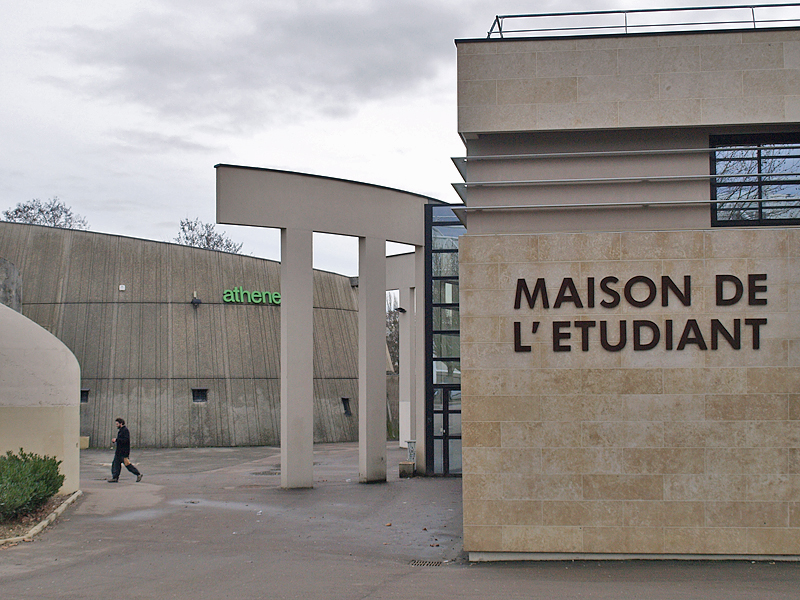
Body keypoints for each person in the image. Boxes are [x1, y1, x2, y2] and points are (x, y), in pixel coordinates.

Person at [108, 417, 143, 483]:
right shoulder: (121, 430)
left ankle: (138, 474)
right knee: (115, 464)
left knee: (127, 465)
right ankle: (115, 477)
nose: (116, 425)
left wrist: (117, 440)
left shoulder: (125, 430)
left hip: (123, 452)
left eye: (117, 424)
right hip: (119, 452)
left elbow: (125, 440)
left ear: (121, 423)